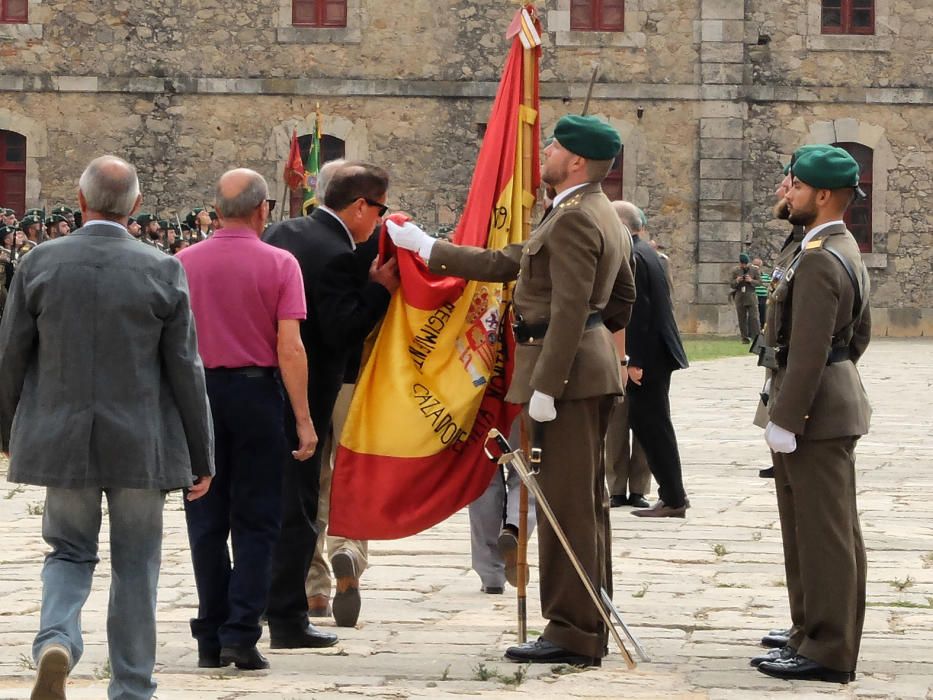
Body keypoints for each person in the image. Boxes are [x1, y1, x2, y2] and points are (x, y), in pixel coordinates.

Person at [386, 114, 635, 667]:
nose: (543, 151)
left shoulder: (574, 217)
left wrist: (550, 380)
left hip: (564, 377)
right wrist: (430, 247)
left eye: (553, 146)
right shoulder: (594, 212)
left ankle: (571, 633)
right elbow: (608, 292)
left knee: (566, 507)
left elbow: (572, 306)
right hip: (583, 369)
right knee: (582, 504)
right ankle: (590, 612)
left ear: (575, 160)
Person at [0, 155, 214, 700]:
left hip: (60, 436)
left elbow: (10, 358)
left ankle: (57, 639)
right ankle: (132, 685)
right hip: (140, 442)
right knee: (137, 565)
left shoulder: (38, 263)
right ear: (137, 206)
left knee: (68, 551)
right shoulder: (163, 268)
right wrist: (201, 453)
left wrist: (6, 435)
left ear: (79, 200)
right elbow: (186, 368)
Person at [176, 168, 319, 670]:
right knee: (258, 521)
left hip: (199, 397)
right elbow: (290, 346)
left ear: (215, 211)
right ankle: (241, 631)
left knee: (205, 517)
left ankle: (210, 631)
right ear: (264, 210)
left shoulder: (181, 263)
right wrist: (303, 418)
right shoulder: (280, 263)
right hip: (257, 394)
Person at [263, 162, 399, 647]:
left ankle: (263, 596)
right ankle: (288, 614)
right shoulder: (340, 252)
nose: (379, 220)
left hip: (263, 384)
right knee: (303, 500)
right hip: (315, 387)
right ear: (360, 205)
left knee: (267, 498)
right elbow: (342, 328)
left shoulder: (280, 231)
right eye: (378, 209)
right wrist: (379, 290)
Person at [753, 145, 871, 684]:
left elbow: (810, 349)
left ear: (823, 195)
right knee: (816, 530)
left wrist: (789, 417)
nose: (787, 191)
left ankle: (828, 648)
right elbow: (856, 338)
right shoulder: (830, 245)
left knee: (825, 535)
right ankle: (812, 629)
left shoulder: (823, 255)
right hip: (824, 402)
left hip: (817, 410)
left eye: (796, 185)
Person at [613, 202, 690, 519]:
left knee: (653, 426)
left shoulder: (632, 255)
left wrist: (633, 360)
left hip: (648, 355)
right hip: (658, 352)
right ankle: (671, 495)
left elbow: (639, 312)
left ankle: (673, 497)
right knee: (652, 426)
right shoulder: (645, 251)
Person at [730, 253, 761, 342]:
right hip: (740, 296)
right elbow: (731, 284)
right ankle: (744, 338)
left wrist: (751, 280)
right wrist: (737, 280)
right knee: (741, 318)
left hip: (751, 295)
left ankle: (757, 338)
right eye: (741, 263)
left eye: (745, 263)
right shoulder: (735, 270)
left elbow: (760, 282)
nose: (743, 265)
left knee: (754, 317)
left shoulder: (754, 270)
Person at [753, 256, 769, 327]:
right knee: (753, 316)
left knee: (763, 315)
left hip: (763, 298)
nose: (756, 267)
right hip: (754, 297)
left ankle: (762, 330)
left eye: (757, 265)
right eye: (755, 265)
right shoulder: (750, 276)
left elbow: (769, 286)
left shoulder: (766, 276)